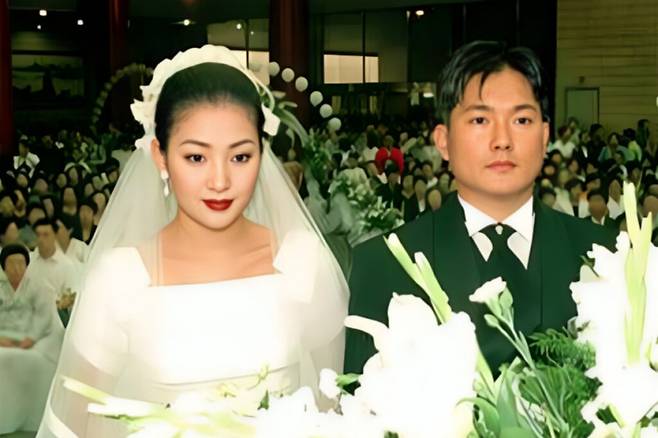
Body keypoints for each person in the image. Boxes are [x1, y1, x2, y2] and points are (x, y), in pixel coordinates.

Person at [38, 46, 348, 437]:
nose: (220, 181)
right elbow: (71, 424)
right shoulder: (120, 279)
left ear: (262, 153)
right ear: (160, 156)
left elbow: (332, 407)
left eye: (240, 157)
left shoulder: (302, 263)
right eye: (196, 158)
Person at [344, 41, 617, 374]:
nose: (502, 140)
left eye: (521, 120)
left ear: (545, 137)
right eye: (479, 120)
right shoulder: (381, 265)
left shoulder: (607, 257)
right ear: (443, 140)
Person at [0, 244, 64, 434]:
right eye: (11, 263)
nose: (17, 268)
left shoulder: (40, 287)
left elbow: (46, 318)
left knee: (31, 359)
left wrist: (30, 338)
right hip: (4, 339)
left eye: (21, 263)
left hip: (35, 340)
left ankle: (32, 418)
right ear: (4, 267)